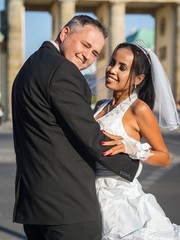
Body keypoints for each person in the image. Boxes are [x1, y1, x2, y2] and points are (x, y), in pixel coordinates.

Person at [11, 16, 141, 240]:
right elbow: (89, 135)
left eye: (95, 54)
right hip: (68, 209)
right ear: (65, 33)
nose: (87, 57)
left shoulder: (29, 66)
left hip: (34, 205)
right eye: (85, 45)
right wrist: (131, 166)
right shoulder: (62, 71)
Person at [94, 42, 180, 239]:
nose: (112, 70)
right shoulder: (100, 105)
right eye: (112, 63)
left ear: (138, 79)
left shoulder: (139, 109)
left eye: (122, 67)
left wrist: (133, 148)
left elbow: (164, 158)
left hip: (120, 203)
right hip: (90, 195)